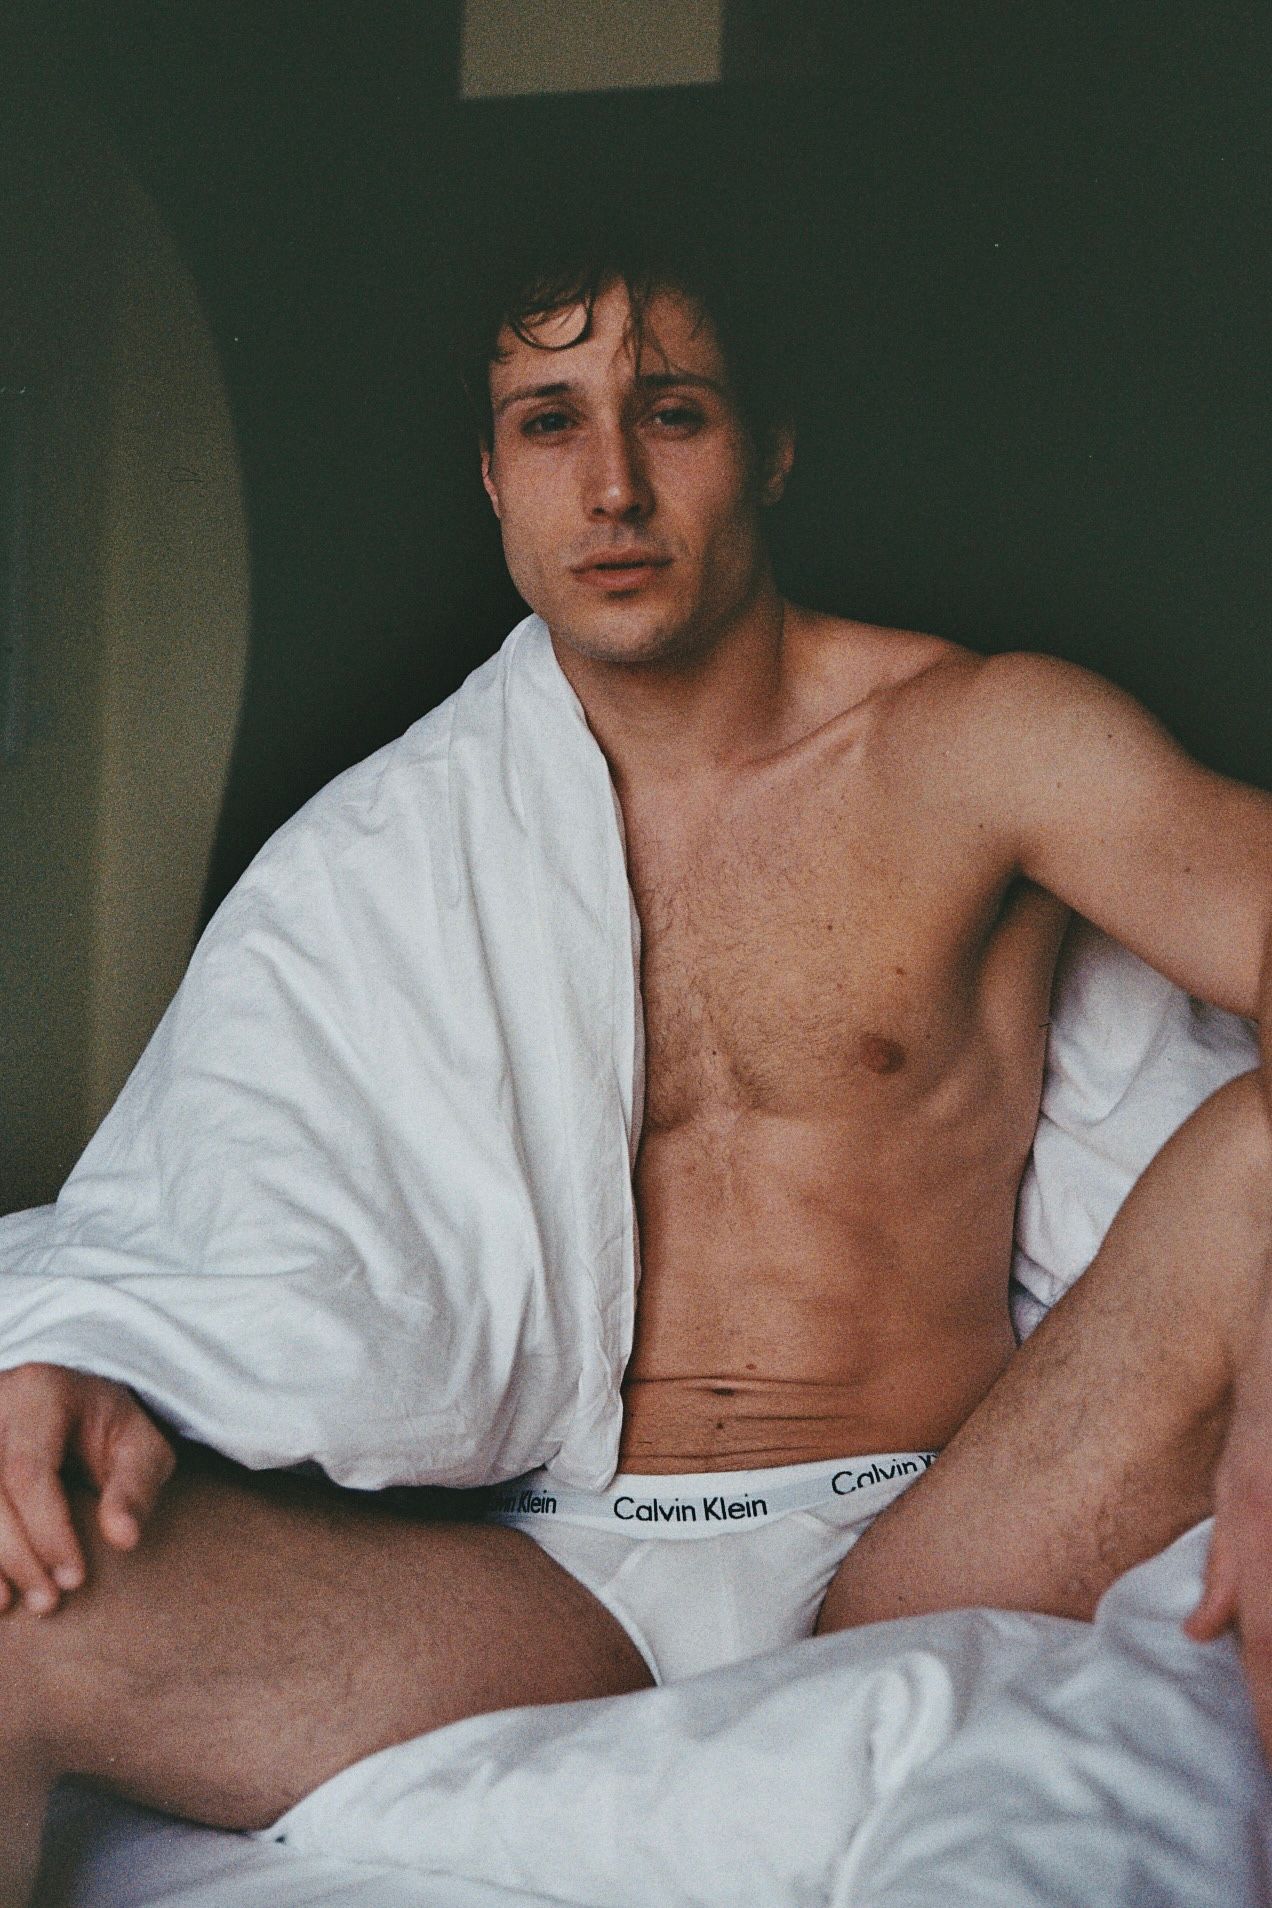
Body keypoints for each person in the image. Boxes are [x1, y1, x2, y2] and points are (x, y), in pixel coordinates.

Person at [0, 231, 1269, 1903]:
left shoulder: (982, 745)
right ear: (491, 475)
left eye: (669, 412)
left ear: (771, 446)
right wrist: (87, 1353)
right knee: (18, 1606)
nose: (610, 486)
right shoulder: (394, 840)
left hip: (932, 1535)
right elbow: (211, 1206)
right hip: (553, 1583)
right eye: (548, 423)